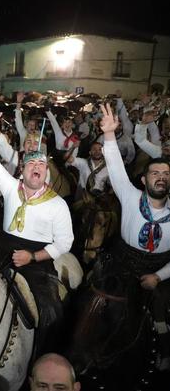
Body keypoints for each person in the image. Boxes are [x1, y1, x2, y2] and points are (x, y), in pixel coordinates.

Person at [0, 99, 74, 356]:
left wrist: (33, 257)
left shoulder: (57, 205)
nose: (37, 168)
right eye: (31, 164)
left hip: (38, 262)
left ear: (46, 172)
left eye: (41, 165)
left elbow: (64, 244)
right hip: (2, 251)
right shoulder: (10, 188)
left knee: (52, 311)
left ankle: (41, 357)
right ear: (22, 169)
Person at [98, 103, 170, 370]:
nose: (161, 178)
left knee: (163, 307)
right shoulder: (129, 196)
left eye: (166, 174)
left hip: (161, 269)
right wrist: (108, 134)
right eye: (155, 174)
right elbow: (116, 167)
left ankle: (165, 353)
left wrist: (158, 277)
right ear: (144, 180)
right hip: (124, 263)